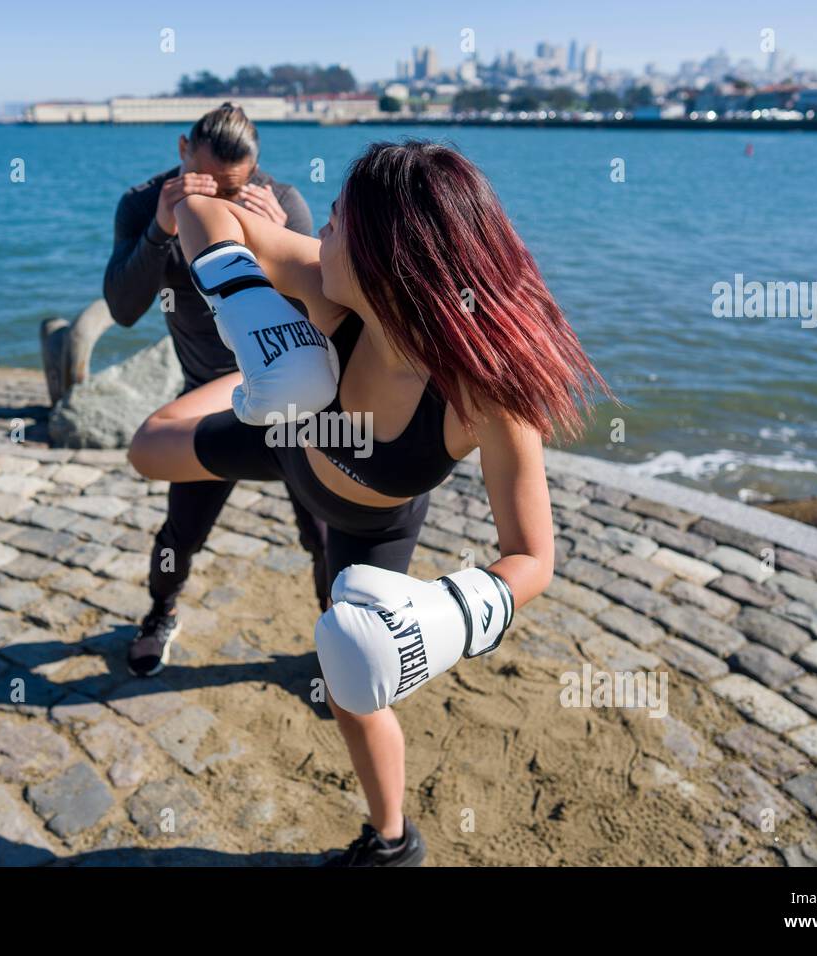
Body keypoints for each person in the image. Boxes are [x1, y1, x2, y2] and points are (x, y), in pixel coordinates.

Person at [128, 140, 608, 866]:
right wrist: (246, 297)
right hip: (287, 433)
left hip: (369, 523)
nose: (320, 226)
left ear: (388, 260)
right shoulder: (325, 286)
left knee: (354, 685)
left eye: (338, 218)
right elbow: (199, 209)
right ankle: (273, 369)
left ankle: (392, 842)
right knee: (147, 445)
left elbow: (533, 556)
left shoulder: (480, 396)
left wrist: (456, 609)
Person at [104, 103, 327, 677]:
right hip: (208, 396)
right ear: (183, 151)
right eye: (208, 186)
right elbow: (123, 310)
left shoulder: (283, 202)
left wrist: (280, 236)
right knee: (183, 527)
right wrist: (160, 229)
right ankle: (160, 614)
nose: (224, 203)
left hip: (294, 400)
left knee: (325, 528)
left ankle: (338, 636)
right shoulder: (144, 203)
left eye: (238, 186)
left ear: (255, 169)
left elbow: (325, 318)